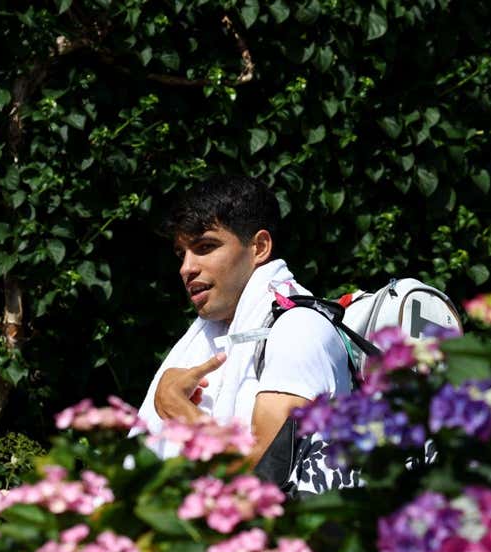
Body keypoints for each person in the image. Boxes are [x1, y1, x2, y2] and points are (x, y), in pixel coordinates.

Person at [130, 175, 354, 483]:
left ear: (259, 247)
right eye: (182, 253)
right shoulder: (213, 337)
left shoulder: (298, 328)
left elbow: (260, 471)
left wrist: (178, 408)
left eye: (205, 247)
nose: (186, 268)